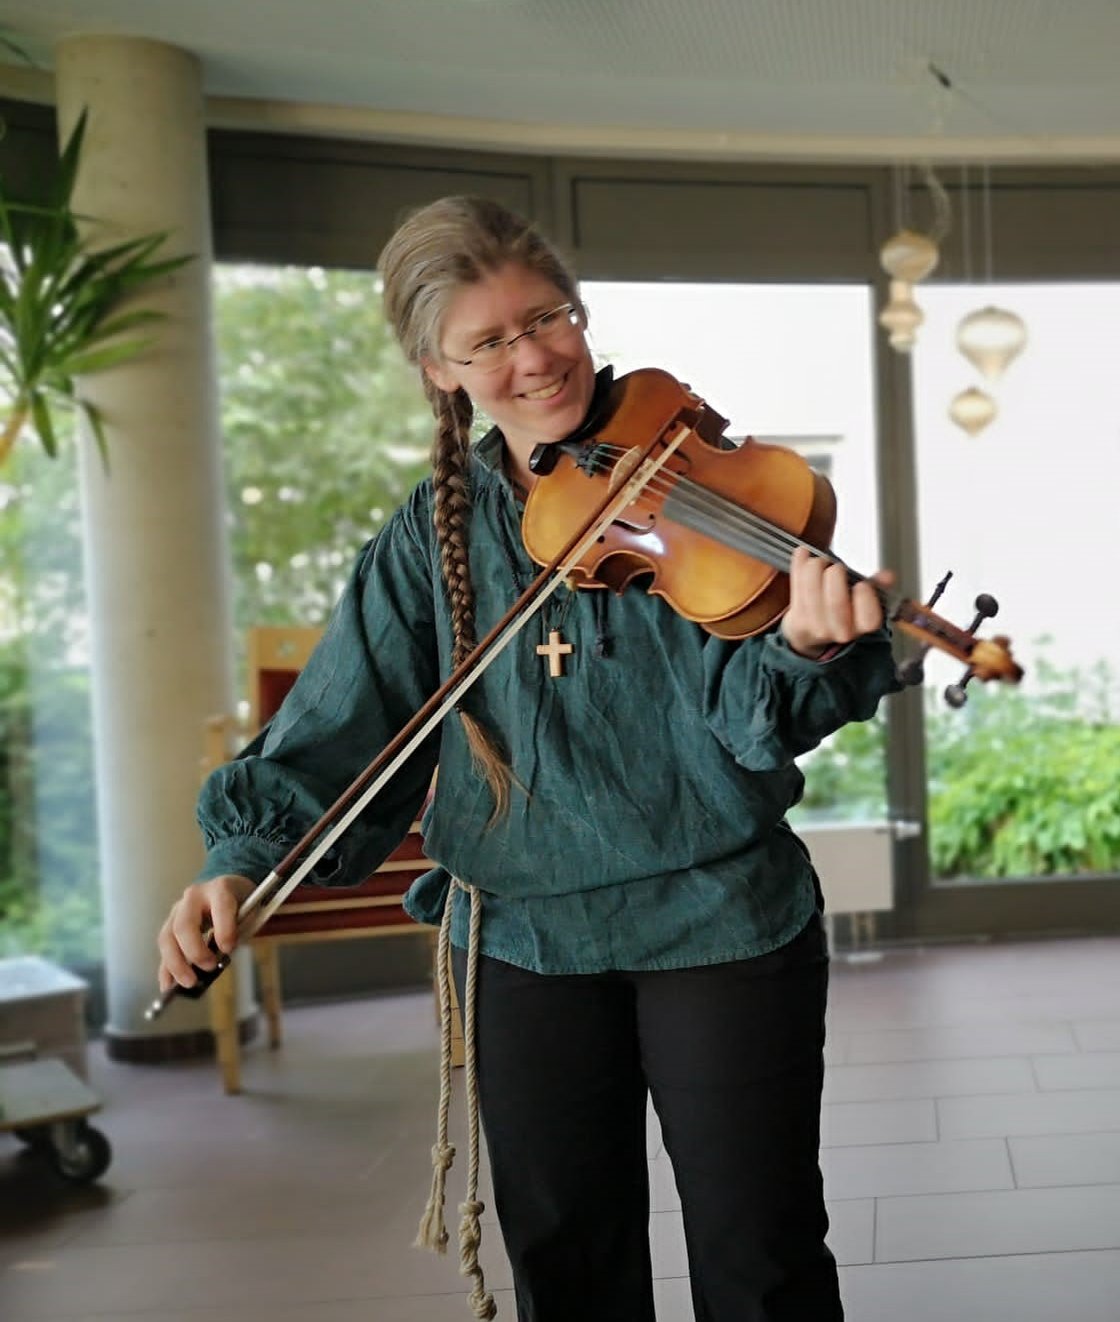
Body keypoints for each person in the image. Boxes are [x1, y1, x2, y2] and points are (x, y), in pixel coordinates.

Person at [156, 196, 900, 1322]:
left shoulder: (692, 479)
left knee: (762, 1250)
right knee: (567, 1255)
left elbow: (748, 711)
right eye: (488, 341)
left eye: (544, 317)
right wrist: (240, 859)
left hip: (718, 913)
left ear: (579, 313)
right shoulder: (430, 537)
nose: (533, 356)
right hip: (524, 934)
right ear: (439, 370)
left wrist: (800, 645)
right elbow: (341, 720)